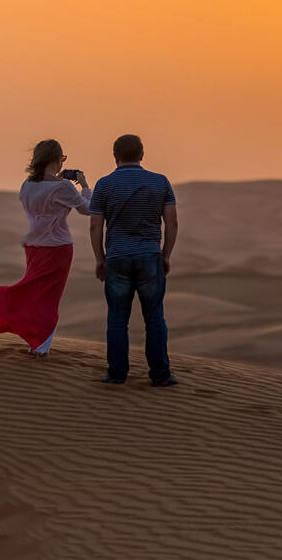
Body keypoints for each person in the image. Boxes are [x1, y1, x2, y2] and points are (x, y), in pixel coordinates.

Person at [0, 139, 91, 355]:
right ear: (56, 160)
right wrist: (85, 186)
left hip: (33, 247)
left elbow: (44, 202)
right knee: (47, 298)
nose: (62, 163)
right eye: (62, 159)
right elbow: (87, 209)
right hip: (58, 248)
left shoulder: (27, 185)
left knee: (32, 291)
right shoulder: (63, 186)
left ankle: (32, 336)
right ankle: (39, 344)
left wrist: (55, 183)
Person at [88, 134, 179, 387]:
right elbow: (171, 223)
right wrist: (166, 254)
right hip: (150, 257)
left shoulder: (104, 185)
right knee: (154, 317)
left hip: (117, 258)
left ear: (115, 156)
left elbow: (95, 226)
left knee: (117, 318)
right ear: (142, 154)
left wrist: (99, 258)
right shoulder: (160, 182)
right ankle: (160, 374)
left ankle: (117, 374)